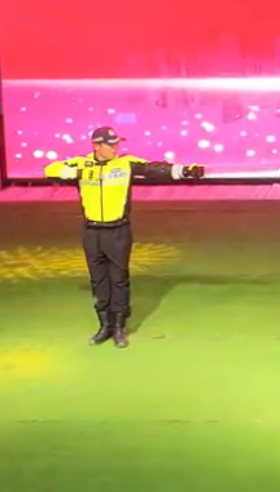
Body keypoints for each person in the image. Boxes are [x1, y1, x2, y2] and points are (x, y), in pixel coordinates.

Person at [43, 126, 205, 349]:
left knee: (119, 279)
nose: (115, 148)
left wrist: (185, 171)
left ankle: (119, 328)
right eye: (110, 144)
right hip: (92, 232)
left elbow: (154, 169)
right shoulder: (81, 164)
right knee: (98, 280)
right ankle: (104, 326)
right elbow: (50, 169)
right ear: (96, 146)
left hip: (118, 231)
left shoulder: (125, 164)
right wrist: (71, 173)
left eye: (116, 143)